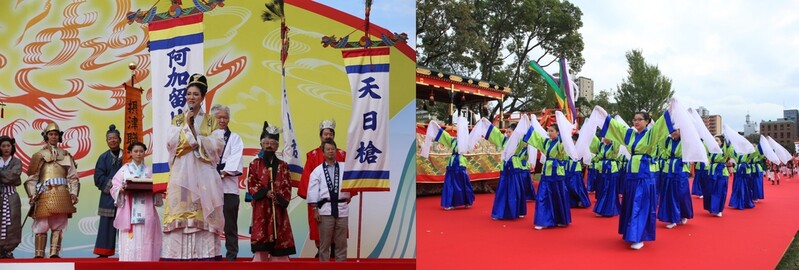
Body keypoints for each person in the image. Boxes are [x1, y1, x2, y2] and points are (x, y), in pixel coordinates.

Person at [161, 74, 225, 261]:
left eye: (195, 94)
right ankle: (178, 256)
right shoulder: (178, 120)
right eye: (188, 94)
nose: (191, 98)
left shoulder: (212, 121)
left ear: (203, 97)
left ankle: (205, 256)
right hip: (182, 174)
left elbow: (217, 146)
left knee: (204, 214)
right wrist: (192, 137)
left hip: (204, 175)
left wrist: (194, 135)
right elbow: (172, 145)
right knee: (181, 212)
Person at [594, 109, 669, 250]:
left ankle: (638, 236)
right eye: (634, 119)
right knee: (630, 203)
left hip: (645, 173)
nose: (636, 122)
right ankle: (631, 232)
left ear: (647, 122)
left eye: (640, 119)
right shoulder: (630, 135)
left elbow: (660, 125)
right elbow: (617, 127)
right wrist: (605, 116)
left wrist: (670, 111)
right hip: (631, 174)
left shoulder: (651, 134)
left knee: (640, 204)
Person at [24, 122, 80, 258]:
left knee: (58, 224)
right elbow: (32, 178)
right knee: (41, 224)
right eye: (51, 134)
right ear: (46, 136)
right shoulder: (39, 155)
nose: (54, 137)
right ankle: (39, 254)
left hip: (62, 192)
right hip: (44, 192)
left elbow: (73, 177)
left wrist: (73, 193)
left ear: (59, 137)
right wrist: (32, 194)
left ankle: (54, 253)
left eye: (56, 134)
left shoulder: (66, 155)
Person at [248, 122, 296, 261]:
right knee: (261, 244)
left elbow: (287, 185)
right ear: (262, 144)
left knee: (279, 243)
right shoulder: (254, 164)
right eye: (266, 143)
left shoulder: (283, 165)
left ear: (277, 146)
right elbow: (252, 182)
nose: (269, 146)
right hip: (261, 208)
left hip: (278, 208)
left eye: (273, 143)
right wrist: (265, 192)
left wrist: (278, 197)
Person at [298, 119, 345, 258]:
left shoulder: (342, 154)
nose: (328, 136)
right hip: (319, 200)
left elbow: (347, 178)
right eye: (325, 134)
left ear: (334, 136)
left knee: (339, 226)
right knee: (318, 225)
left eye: (330, 134)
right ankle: (321, 249)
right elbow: (307, 178)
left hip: (336, 199)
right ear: (320, 136)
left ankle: (335, 248)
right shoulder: (312, 155)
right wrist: (314, 201)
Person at [110, 142, 162, 261]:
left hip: (146, 210)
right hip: (130, 209)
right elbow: (114, 187)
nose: (138, 154)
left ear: (145, 153)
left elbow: (157, 189)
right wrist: (121, 190)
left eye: (141, 151)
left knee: (146, 238)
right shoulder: (124, 170)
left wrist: (155, 190)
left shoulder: (149, 171)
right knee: (130, 242)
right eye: (136, 151)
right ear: (131, 153)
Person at [522, 123, 571, 230]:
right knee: (542, 196)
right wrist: (527, 125)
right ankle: (543, 220)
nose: (549, 133)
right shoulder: (546, 142)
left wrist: (563, 136)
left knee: (558, 195)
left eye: (552, 131)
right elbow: (537, 139)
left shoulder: (561, 142)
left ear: (558, 132)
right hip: (546, 172)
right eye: (548, 131)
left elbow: (565, 150)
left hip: (557, 172)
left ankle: (560, 219)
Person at [308, 140, 351, 262]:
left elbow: (352, 182)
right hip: (325, 209)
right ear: (323, 152)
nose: (331, 151)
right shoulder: (317, 171)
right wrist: (314, 209)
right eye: (328, 149)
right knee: (325, 243)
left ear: (336, 151)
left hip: (341, 207)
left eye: (333, 149)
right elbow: (313, 191)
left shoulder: (344, 168)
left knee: (341, 243)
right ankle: (324, 266)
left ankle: (341, 266)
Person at [212, 104, 244, 261]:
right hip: (209, 187)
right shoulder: (206, 136)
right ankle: (211, 253)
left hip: (229, 188)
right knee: (209, 224)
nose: (222, 120)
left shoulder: (235, 138)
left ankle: (232, 256)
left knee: (230, 225)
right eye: (219, 117)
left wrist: (222, 172)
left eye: (225, 117)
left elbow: (235, 159)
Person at [421, 119, 475, 210]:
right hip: (452, 163)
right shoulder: (453, 141)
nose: (459, 133)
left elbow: (468, 149)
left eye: (461, 131)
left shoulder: (467, 142)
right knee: (450, 183)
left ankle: (466, 201)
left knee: (463, 183)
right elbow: (444, 135)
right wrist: (436, 126)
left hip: (461, 164)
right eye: (458, 131)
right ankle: (450, 203)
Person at [93, 124, 123, 257]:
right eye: (109, 139)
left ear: (119, 139)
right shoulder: (103, 157)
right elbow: (98, 177)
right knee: (106, 225)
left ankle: (127, 251)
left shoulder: (128, 156)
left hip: (124, 194)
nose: (112, 140)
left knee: (125, 224)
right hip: (108, 196)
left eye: (115, 138)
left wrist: (122, 187)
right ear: (106, 141)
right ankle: (104, 252)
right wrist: (114, 186)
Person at [656, 129, 693, 229]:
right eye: (672, 130)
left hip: (680, 169)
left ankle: (684, 213)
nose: (673, 132)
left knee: (682, 194)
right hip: (668, 170)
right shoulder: (668, 141)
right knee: (669, 195)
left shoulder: (686, 141)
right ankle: (673, 218)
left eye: (676, 130)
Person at [0, 136, 22, 259]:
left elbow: (13, 176)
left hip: (11, 196)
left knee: (12, 223)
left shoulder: (16, 161)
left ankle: (8, 250)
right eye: (3, 146)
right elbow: (9, 176)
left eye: (8, 146)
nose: (6, 148)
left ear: (12, 147)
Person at [588, 136, 621, 217]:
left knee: (608, 190)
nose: (605, 138)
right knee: (602, 189)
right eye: (604, 137)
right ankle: (603, 208)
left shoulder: (614, 147)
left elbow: (617, 141)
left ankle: (605, 209)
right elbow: (594, 141)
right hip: (601, 169)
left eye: (607, 136)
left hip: (611, 170)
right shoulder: (601, 146)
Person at [703, 135, 734, 217]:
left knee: (720, 191)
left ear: (721, 143)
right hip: (711, 171)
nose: (715, 142)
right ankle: (711, 207)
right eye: (714, 140)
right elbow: (704, 145)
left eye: (717, 140)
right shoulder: (711, 150)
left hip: (721, 173)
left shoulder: (724, 150)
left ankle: (719, 209)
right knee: (709, 190)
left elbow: (728, 146)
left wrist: (727, 134)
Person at [565, 134, 590, 209]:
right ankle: (571, 201)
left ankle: (581, 200)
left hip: (575, 168)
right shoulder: (567, 149)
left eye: (572, 141)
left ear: (576, 141)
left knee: (576, 186)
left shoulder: (579, 149)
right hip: (567, 168)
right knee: (568, 186)